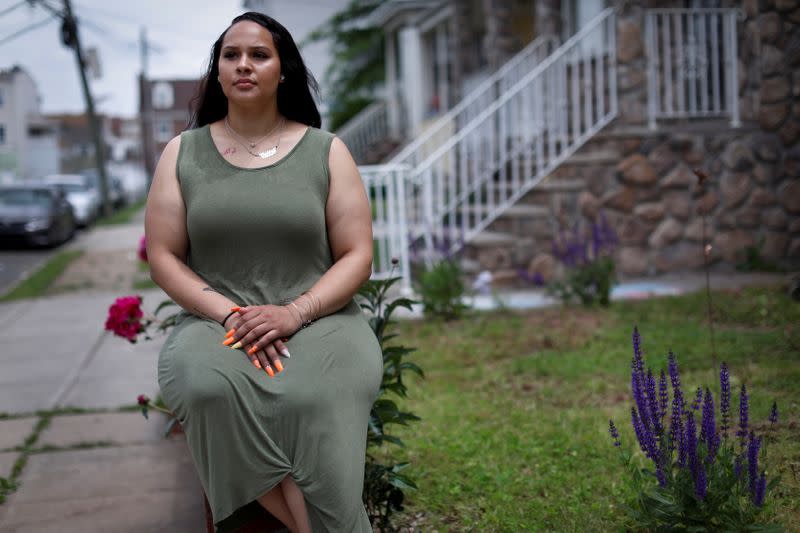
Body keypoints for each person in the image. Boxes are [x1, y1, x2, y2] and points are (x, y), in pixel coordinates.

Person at [145, 11, 383, 533]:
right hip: (219, 323)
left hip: (322, 320)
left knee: (314, 396)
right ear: (218, 73)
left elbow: (357, 254)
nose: (244, 65)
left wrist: (293, 313)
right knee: (206, 387)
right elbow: (163, 255)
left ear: (284, 71)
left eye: (259, 54)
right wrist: (233, 315)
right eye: (231, 56)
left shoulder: (327, 152)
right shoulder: (181, 153)